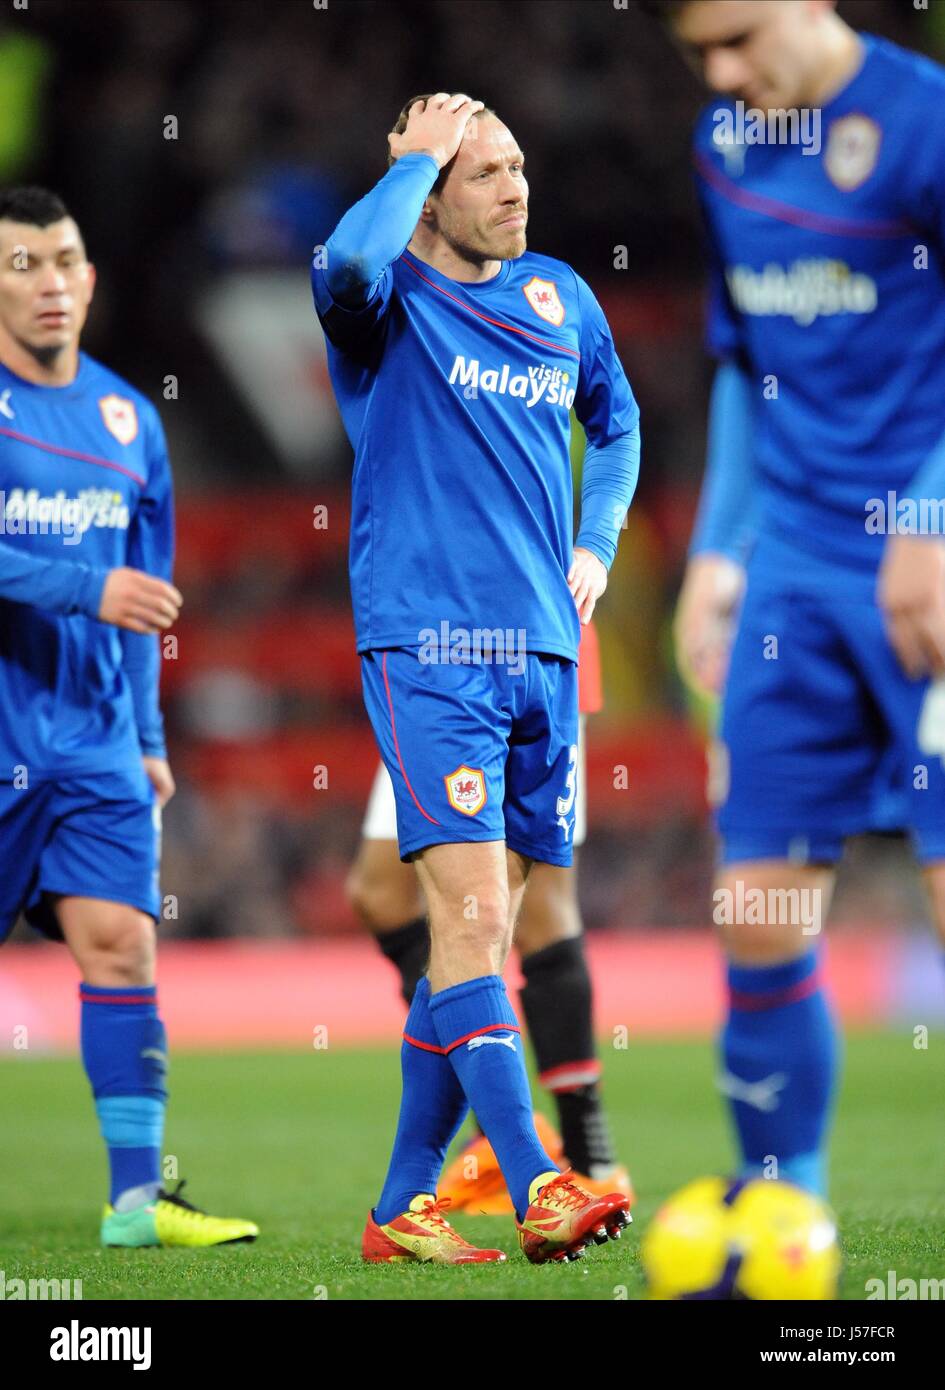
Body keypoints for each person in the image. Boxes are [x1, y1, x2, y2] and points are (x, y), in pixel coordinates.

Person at [313, 93, 640, 1263]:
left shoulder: (563, 297)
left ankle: (402, 1206)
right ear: (431, 193)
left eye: (517, 168)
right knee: (470, 914)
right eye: (485, 174)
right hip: (431, 649)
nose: (515, 191)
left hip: (545, 653)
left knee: (479, 939)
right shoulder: (384, 300)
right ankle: (545, 1175)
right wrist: (408, 161)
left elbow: (621, 419)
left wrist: (594, 545)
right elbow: (352, 254)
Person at [656, 0, 945, 1196]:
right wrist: (720, 551)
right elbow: (745, 358)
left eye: (737, 38)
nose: (723, 74)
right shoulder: (728, 147)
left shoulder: (925, 123)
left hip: (931, 564)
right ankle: (786, 1210)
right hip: (798, 568)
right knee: (759, 904)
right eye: (696, 55)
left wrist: (931, 515)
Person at [0, 186, 257, 1248]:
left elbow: (146, 598)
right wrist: (78, 586)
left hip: (98, 738)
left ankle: (137, 1203)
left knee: (122, 948)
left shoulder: (129, 419)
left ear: (91, 277)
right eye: (22, 265)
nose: (49, 282)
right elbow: (101, 587)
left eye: (64, 261)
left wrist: (149, 740)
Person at [347, 618, 633, 1213]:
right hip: (434, 655)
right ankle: (499, 1128)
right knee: (382, 891)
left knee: (529, 906)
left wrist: (597, 550)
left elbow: (593, 526)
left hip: (534, 642)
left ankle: (588, 1156)